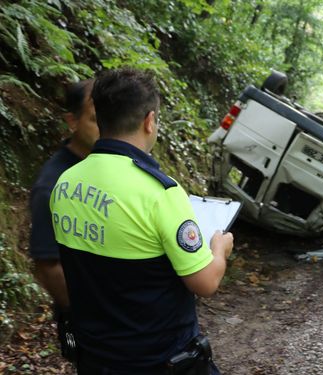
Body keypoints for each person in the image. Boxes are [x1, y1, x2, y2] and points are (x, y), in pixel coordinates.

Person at [50, 68, 234, 374]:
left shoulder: (65, 184)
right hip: (159, 361)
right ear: (150, 121)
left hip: (95, 359)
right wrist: (219, 249)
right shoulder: (161, 193)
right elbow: (206, 282)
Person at [29, 79, 98, 361]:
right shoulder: (53, 185)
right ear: (72, 121)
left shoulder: (107, 162)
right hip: (92, 322)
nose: (106, 127)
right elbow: (48, 265)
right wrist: (88, 312)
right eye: (95, 119)